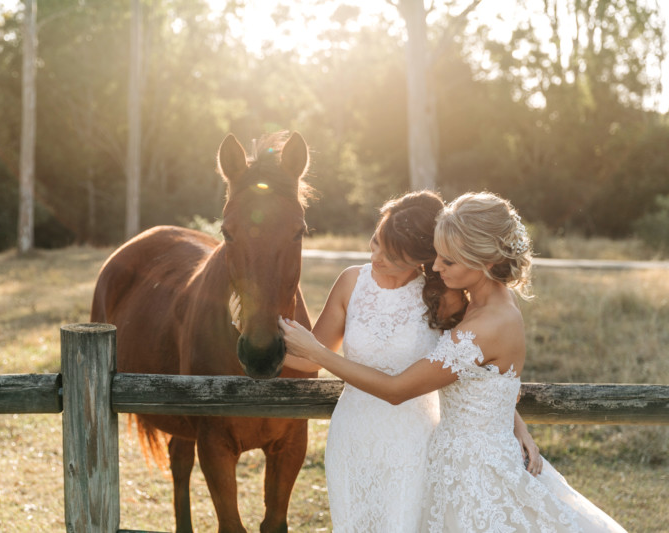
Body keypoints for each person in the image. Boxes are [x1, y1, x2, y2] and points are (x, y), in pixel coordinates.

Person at [279, 191, 628, 532]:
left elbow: (403, 387)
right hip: (432, 455)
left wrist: (318, 353)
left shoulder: (480, 322)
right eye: (436, 257)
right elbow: (484, 379)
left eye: (447, 261)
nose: (435, 266)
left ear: (485, 261)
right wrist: (515, 423)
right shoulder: (477, 304)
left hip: (460, 461)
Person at [232, 190, 542, 532]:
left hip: (413, 442)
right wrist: (251, 329)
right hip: (353, 436)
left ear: (419, 257)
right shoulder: (352, 282)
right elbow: (309, 358)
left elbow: (475, 369)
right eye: (376, 242)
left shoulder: (445, 297)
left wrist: (511, 424)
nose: (377, 257)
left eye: (392, 255)